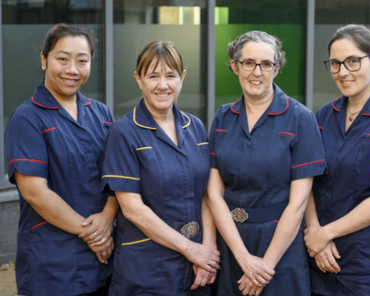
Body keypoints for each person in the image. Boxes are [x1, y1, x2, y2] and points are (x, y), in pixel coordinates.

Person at [206, 31, 326, 296]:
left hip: (280, 247)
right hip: (232, 243)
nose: (256, 72)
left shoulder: (300, 119)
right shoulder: (222, 118)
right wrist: (243, 258)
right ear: (235, 66)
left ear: (277, 68)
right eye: (248, 62)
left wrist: (264, 268)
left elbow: (298, 205)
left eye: (266, 64)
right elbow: (214, 196)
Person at [100, 41, 219, 295]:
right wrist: (191, 249)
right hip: (147, 267)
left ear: (182, 78)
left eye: (171, 76)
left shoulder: (195, 127)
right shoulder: (123, 132)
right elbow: (132, 210)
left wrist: (207, 254)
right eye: (153, 76)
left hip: (197, 266)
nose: (163, 85)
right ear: (138, 79)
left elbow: (207, 196)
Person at [4, 23, 115, 296]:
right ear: (44, 60)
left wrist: (107, 217)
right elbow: (36, 193)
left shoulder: (101, 114)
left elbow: (119, 177)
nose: (72, 70)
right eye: (62, 59)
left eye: (82, 61)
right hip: (52, 265)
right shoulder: (27, 118)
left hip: (104, 262)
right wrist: (94, 234)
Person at [304, 24, 370, 296]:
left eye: (353, 61)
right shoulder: (323, 117)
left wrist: (324, 233)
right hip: (323, 256)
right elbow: (306, 180)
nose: (343, 72)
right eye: (335, 63)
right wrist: (315, 231)